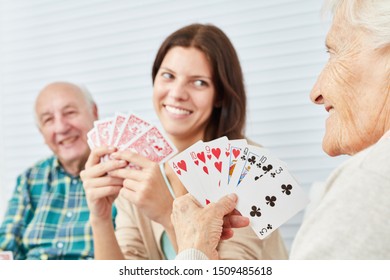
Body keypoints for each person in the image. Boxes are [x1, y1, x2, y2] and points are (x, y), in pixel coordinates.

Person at [171, 0, 390, 260]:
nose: (315, 93)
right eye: (167, 75)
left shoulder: (371, 182)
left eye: (335, 52)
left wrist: (192, 252)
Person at [80, 23, 288, 260]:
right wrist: (100, 217)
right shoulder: (137, 169)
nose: (177, 93)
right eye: (168, 76)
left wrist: (167, 212)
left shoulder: (246, 166)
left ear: (219, 95)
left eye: (199, 82)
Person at [0, 81, 106, 259]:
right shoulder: (29, 179)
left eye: (70, 113)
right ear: (41, 132)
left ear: (94, 113)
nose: (61, 128)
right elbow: (6, 244)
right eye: (48, 120)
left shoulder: (121, 170)